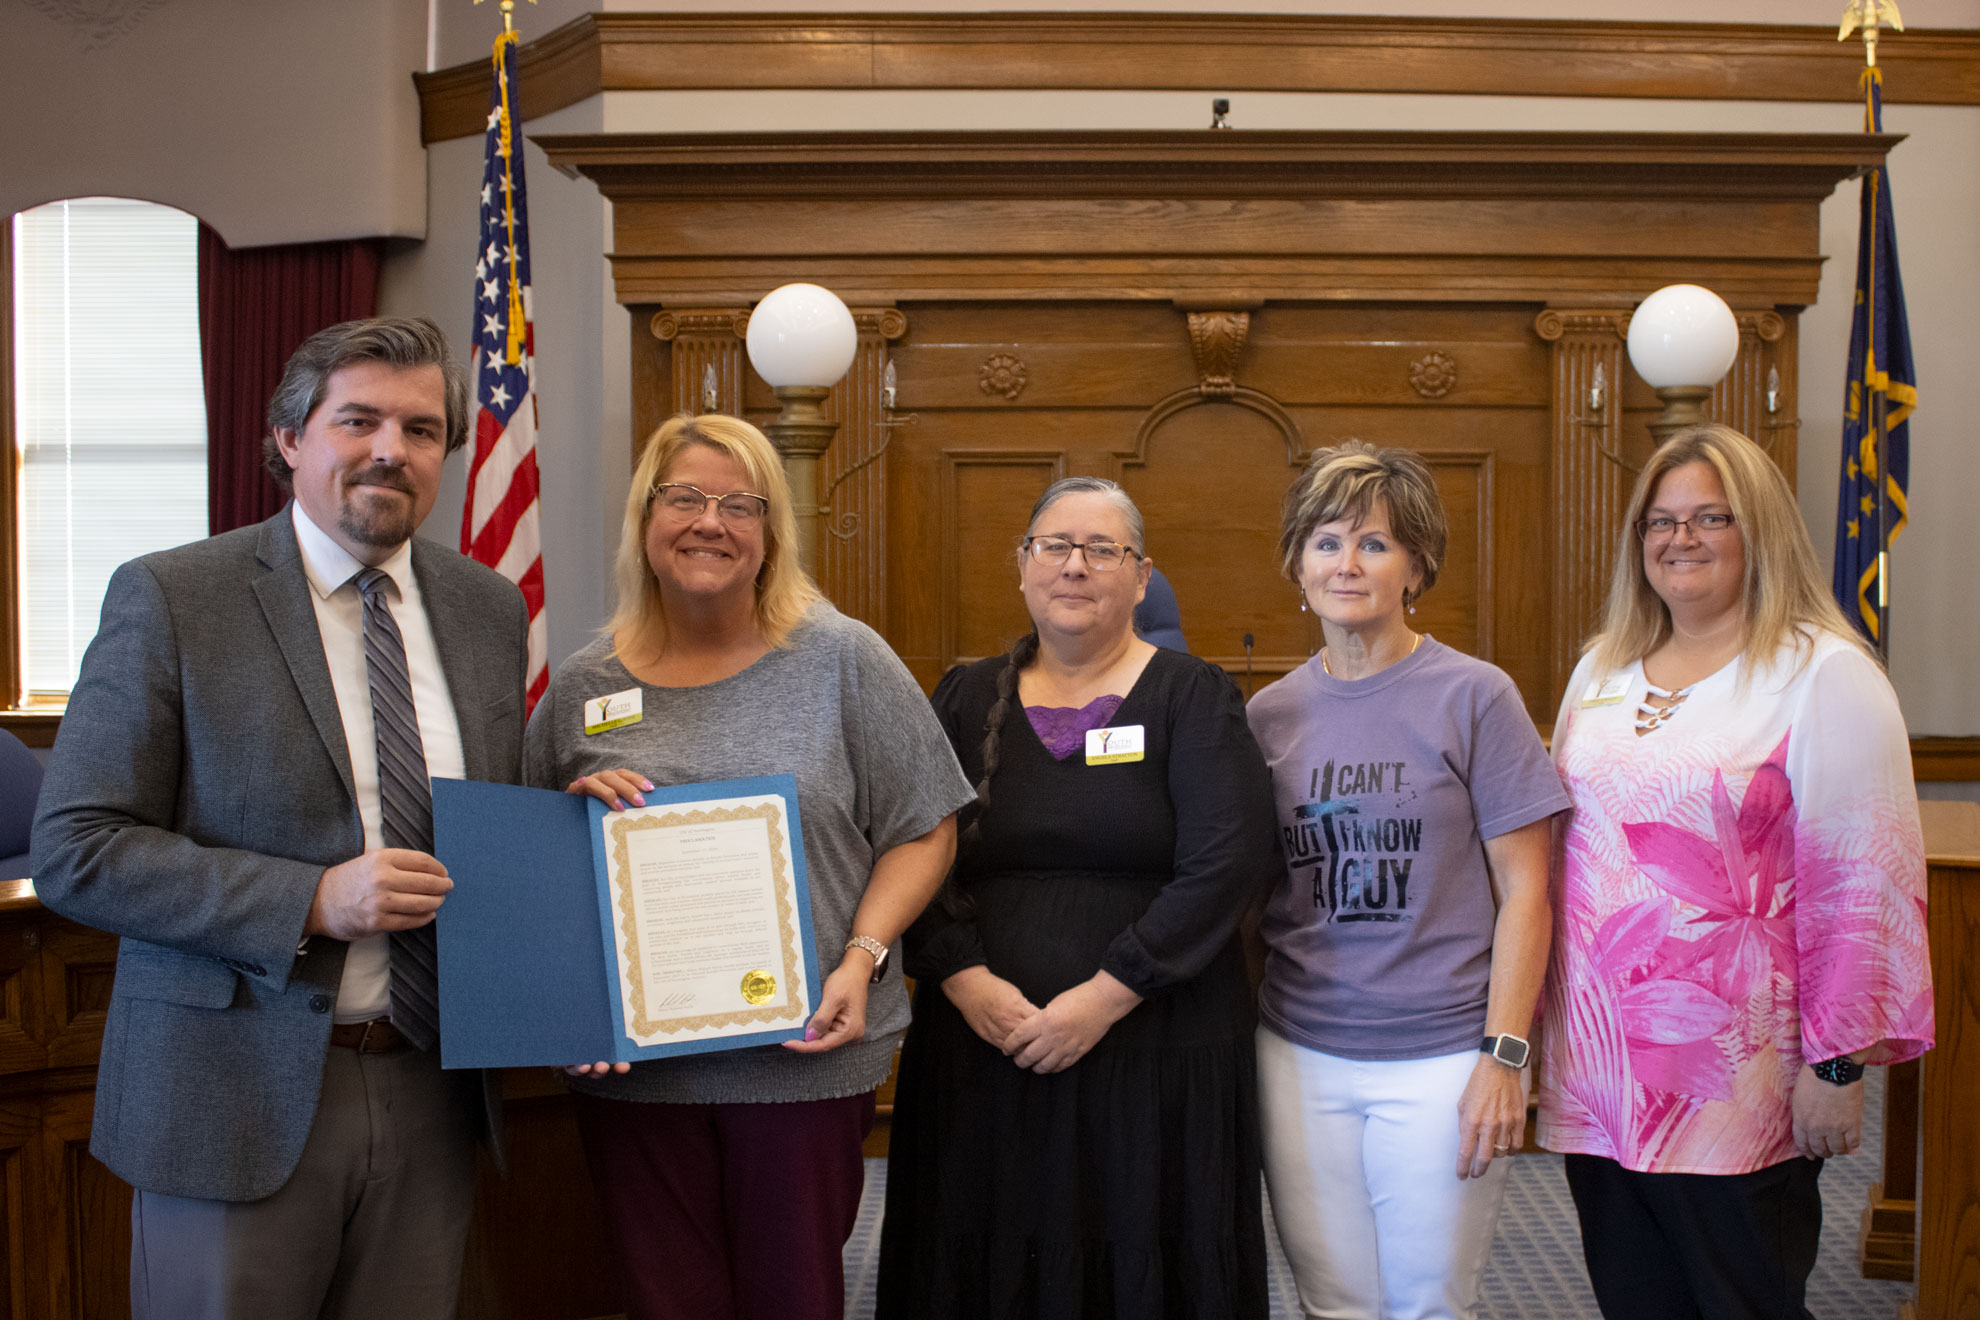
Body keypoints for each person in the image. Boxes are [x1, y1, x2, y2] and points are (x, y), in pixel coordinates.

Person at [30, 317, 527, 1318]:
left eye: (423, 430)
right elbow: (77, 851)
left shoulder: (487, 610)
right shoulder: (175, 597)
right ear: (291, 438)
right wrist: (309, 899)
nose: (392, 449)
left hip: (432, 1088)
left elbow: (498, 824)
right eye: (360, 420)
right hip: (231, 1095)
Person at [525, 413, 973, 1320]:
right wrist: (572, 814)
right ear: (646, 521)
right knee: (664, 1302)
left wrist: (864, 957)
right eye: (684, 497)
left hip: (801, 1054)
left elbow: (926, 825)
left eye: (741, 505)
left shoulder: (840, 657)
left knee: (793, 1299)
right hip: (637, 1070)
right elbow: (528, 859)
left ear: (770, 536)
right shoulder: (582, 684)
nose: (710, 522)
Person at [1539, 423, 1933, 1320]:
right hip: (1605, 1076)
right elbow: (1568, 854)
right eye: (1661, 521)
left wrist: (1838, 1068)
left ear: (1760, 532)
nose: (1680, 538)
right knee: (1635, 1302)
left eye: (1711, 517)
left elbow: (1863, 887)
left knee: (1742, 1302)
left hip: (1739, 1081)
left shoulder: (1823, 674)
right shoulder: (1601, 668)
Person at [877, 476, 1276, 1320]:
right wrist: (961, 977)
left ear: (1141, 577)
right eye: (1055, 545)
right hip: (982, 1044)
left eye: (1104, 550)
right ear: (1022, 566)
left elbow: (1225, 864)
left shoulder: (1193, 697)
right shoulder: (962, 694)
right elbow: (912, 846)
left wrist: (1106, 994)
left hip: (1158, 1047)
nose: (1076, 565)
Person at [1246, 440, 1568, 1320]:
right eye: (1324, 541)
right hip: (1300, 1052)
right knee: (1333, 1301)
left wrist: (1507, 1055)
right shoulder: (1267, 715)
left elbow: (1528, 892)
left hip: (1443, 1057)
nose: (1346, 563)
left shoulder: (1476, 696)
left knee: (1428, 1304)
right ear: (1295, 563)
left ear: (1417, 566)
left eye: (1375, 543)